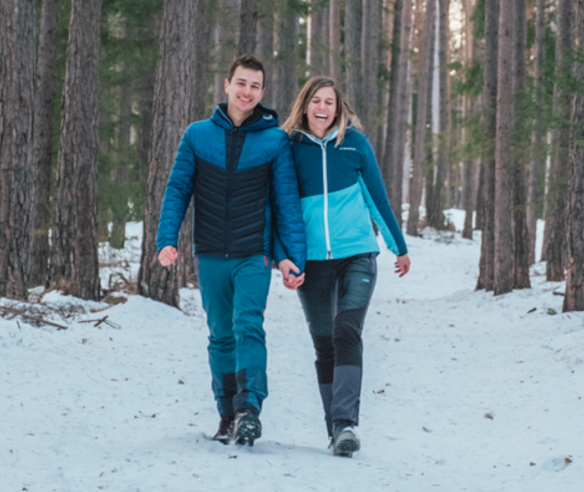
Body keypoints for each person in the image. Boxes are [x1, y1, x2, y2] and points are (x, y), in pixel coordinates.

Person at [156, 55, 306, 446]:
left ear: (262, 92)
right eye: (241, 83)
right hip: (209, 254)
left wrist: (294, 257)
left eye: (255, 86)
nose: (247, 92)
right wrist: (166, 239)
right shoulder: (196, 135)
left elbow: (287, 202)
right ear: (226, 85)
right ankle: (226, 414)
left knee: (248, 326)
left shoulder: (274, 141)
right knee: (221, 334)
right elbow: (177, 190)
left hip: (252, 255)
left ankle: (248, 410)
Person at [280, 76, 410, 457]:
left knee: (346, 330)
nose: (323, 108)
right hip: (312, 261)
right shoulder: (288, 147)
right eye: (316, 101)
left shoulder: (354, 143)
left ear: (339, 108)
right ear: (304, 105)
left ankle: (346, 423)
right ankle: (335, 430)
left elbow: (377, 199)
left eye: (330, 102)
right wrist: (282, 255)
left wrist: (397, 246)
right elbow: (279, 205)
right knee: (324, 344)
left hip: (357, 254)